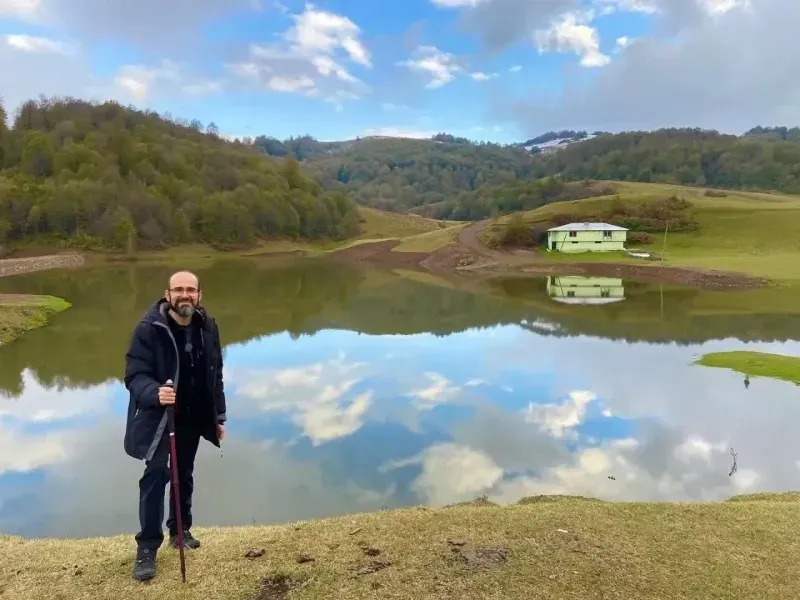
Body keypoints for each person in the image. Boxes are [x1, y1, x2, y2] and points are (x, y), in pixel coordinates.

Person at [123, 270, 227, 582]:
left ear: (199, 295)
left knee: (184, 475)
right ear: (167, 295)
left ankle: (180, 532)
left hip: (192, 419)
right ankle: (147, 547)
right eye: (179, 290)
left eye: (191, 290)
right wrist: (154, 392)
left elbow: (215, 373)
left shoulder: (208, 326)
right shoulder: (148, 329)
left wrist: (218, 416)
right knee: (156, 476)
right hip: (160, 419)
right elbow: (134, 375)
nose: (185, 295)